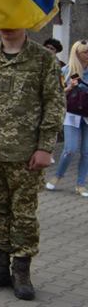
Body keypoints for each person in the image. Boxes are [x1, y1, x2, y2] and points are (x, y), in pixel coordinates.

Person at [0, 28, 64, 300]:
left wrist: (46, 146)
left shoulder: (43, 58)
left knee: (24, 215)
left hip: (26, 154)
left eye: (13, 19)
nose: (7, 25)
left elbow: (54, 103)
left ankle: (21, 270)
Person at [46, 40, 88, 197]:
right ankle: (57, 176)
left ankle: (81, 185)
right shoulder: (67, 70)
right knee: (70, 149)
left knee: (86, 152)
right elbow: (56, 93)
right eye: (86, 52)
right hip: (72, 114)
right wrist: (69, 87)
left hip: (87, 115)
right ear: (77, 53)